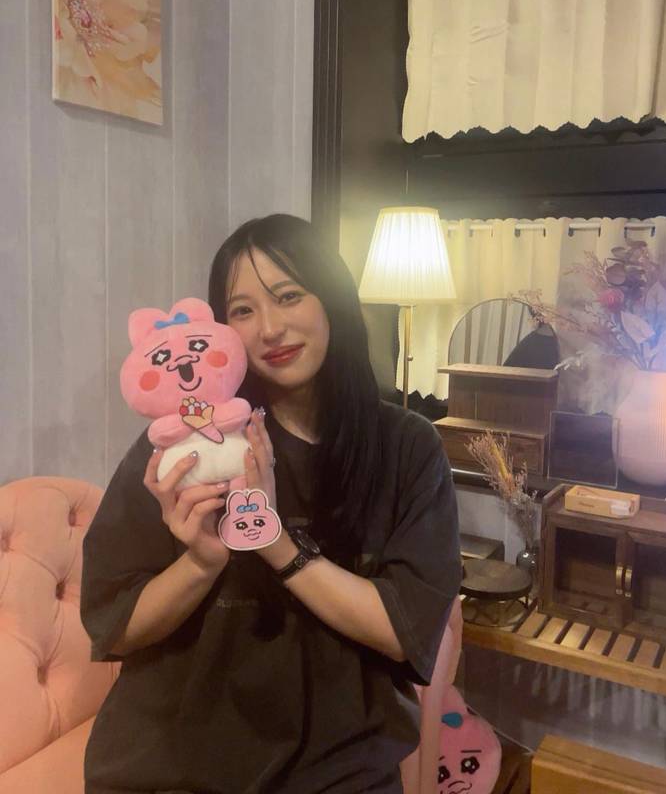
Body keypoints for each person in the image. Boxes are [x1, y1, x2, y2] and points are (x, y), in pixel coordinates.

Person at [81, 213, 462, 794]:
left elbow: (401, 629)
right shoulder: (187, 443)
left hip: (337, 769)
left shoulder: (405, 447)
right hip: (171, 766)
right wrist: (200, 563)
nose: (270, 329)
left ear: (332, 299)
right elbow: (116, 629)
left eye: (288, 296)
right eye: (242, 310)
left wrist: (272, 539)